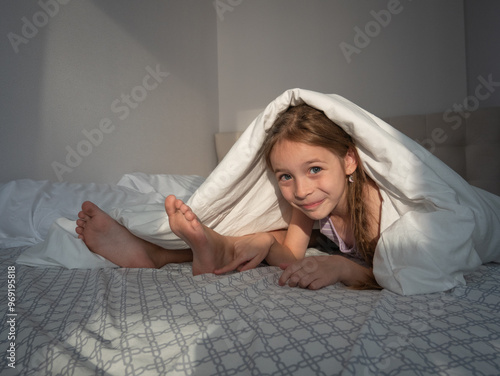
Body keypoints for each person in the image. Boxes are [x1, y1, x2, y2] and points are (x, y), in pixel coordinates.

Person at [76, 104, 380, 290]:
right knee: (259, 234)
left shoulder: (374, 207)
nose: (300, 191)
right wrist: (266, 241)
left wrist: (343, 268)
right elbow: (292, 255)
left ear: (349, 160)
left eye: (315, 168)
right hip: (321, 238)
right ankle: (162, 252)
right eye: (285, 176)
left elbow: (406, 271)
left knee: (269, 235)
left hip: (340, 246)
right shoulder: (307, 198)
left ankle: (160, 255)